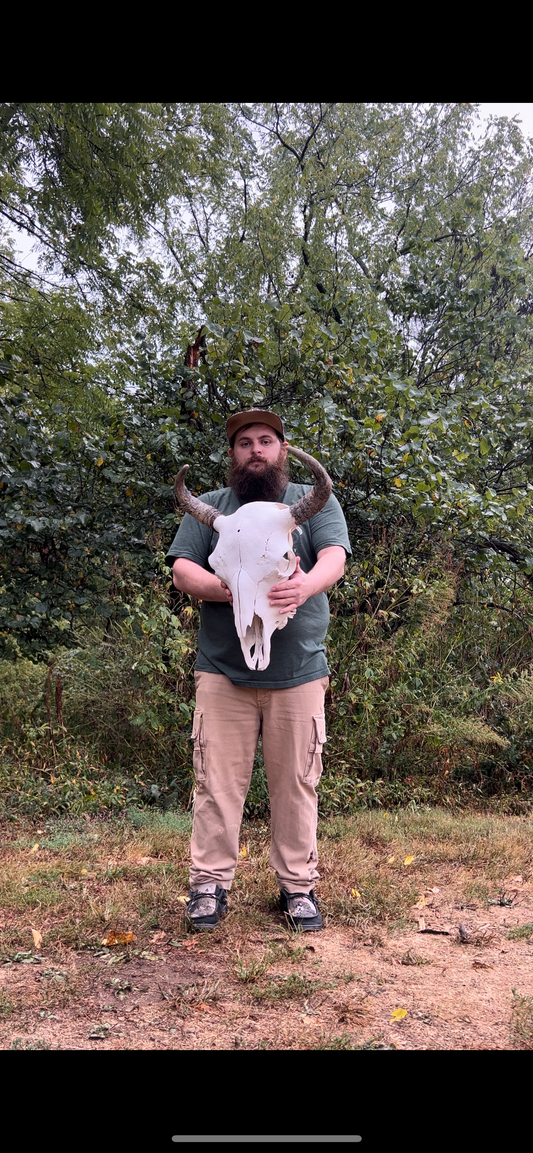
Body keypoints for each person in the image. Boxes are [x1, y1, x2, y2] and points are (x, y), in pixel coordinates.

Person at [165, 409, 351, 931]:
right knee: (215, 780)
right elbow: (182, 568)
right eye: (244, 442)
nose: (255, 449)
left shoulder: (313, 503)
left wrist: (305, 585)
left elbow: (335, 555)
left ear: (283, 450)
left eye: (265, 440)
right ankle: (208, 884)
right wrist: (228, 587)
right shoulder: (215, 507)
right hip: (223, 671)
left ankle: (298, 888)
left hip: (299, 670)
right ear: (232, 455)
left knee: (297, 782)